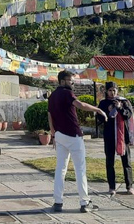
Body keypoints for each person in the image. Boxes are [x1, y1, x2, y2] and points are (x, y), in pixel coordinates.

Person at [48, 70, 107, 214]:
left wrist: (53, 134)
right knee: (80, 169)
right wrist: (98, 109)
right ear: (62, 81)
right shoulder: (66, 93)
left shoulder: (53, 95)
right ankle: (84, 202)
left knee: (60, 169)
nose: (72, 83)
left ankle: (58, 202)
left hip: (60, 135)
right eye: (70, 80)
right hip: (73, 135)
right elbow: (80, 105)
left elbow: (49, 114)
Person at [96, 82, 134, 196]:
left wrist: (120, 108)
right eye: (110, 90)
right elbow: (99, 118)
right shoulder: (103, 103)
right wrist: (107, 111)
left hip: (123, 136)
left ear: (117, 91)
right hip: (109, 136)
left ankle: (129, 186)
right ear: (106, 91)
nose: (112, 93)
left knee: (126, 162)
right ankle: (112, 186)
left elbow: (128, 115)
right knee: (109, 162)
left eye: (114, 90)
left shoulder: (124, 101)